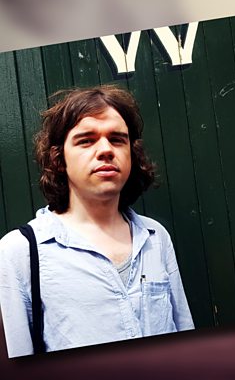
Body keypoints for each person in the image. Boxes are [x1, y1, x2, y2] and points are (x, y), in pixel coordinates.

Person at [0, 85, 194, 357]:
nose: (105, 150)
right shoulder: (20, 252)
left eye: (117, 139)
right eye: (86, 140)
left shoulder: (155, 237)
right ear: (58, 158)